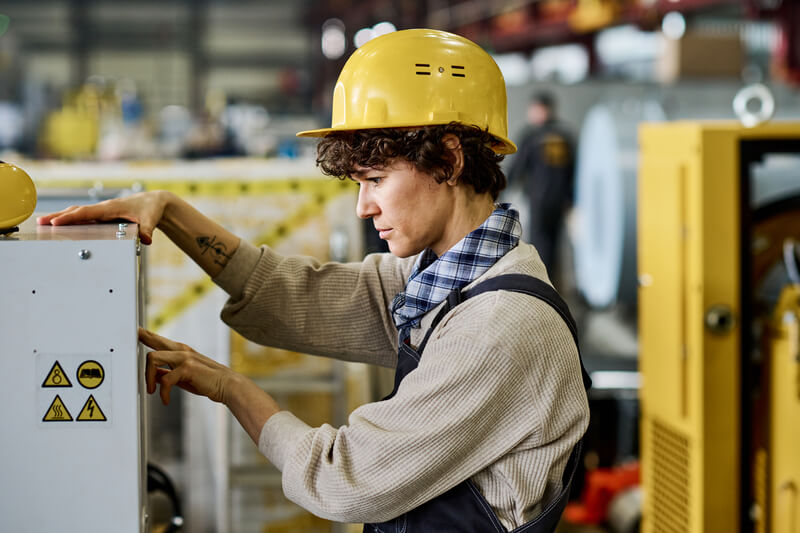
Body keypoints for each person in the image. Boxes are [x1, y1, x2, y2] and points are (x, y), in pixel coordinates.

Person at [38, 29, 590, 532]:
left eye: (375, 179)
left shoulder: (499, 328)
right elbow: (293, 296)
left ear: (447, 159)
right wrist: (171, 212)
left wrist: (233, 389)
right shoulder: (442, 281)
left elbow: (343, 480)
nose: (362, 206)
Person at [507, 91, 576, 280]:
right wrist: (571, 198)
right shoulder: (564, 136)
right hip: (560, 200)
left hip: (539, 198)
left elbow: (517, 167)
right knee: (554, 243)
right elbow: (573, 170)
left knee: (539, 243)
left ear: (542, 110)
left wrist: (501, 189)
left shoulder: (532, 135)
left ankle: (542, 281)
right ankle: (552, 281)